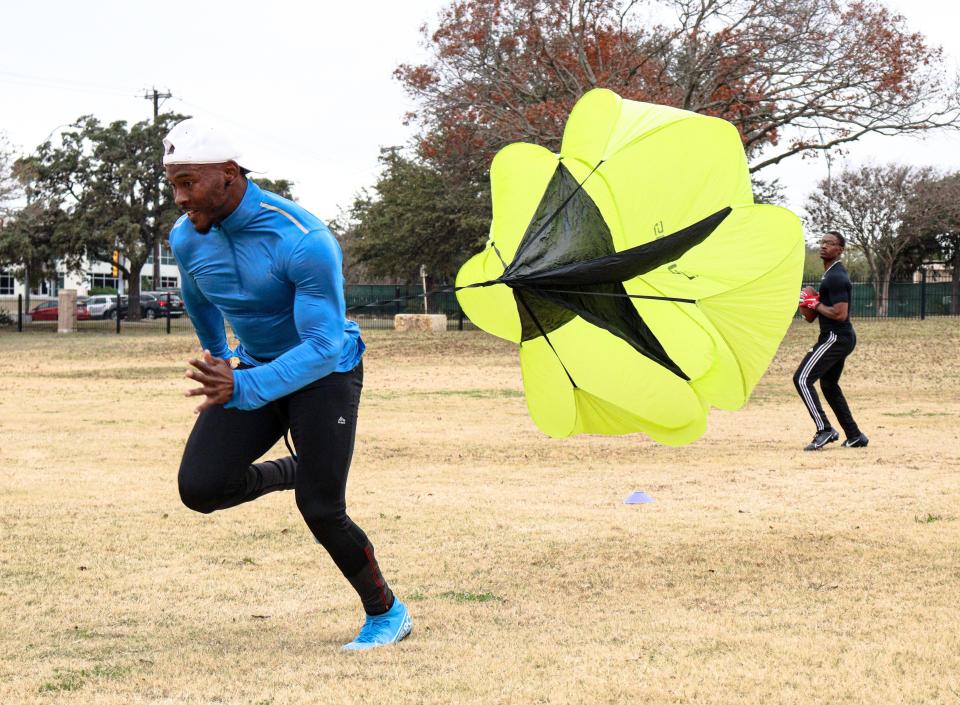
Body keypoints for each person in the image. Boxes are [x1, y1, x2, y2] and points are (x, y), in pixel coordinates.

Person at [162, 118, 412, 650]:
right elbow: (200, 297)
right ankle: (299, 468)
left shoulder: (303, 240)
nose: (180, 198)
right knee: (200, 489)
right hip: (250, 368)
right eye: (173, 184)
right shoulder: (186, 238)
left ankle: (387, 613)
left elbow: (322, 347)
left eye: (189, 182)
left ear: (228, 174)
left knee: (321, 507)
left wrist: (244, 388)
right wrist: (221, 358)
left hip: (325, 372)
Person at [794, 231, 869, 451]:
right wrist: (810, 302)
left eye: (830, 243)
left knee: (801, 379)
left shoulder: (836, 276)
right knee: (828, 385)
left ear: (840, 250)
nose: (824, 246)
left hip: (836, 337)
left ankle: (825, 429)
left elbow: (839, 314)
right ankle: (855, 435)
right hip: (840, 337)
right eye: (822, 242)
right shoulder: (829, 275)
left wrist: (814, 303)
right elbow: (812, 317)